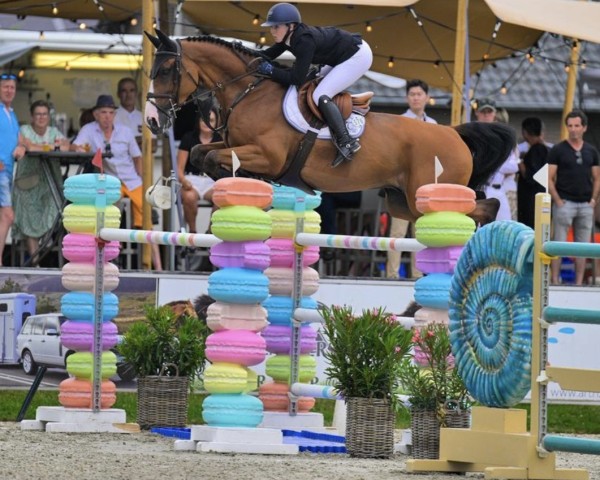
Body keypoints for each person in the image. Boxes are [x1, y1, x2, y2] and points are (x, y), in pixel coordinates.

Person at [257, 2, 373, 167]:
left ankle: (346, 141)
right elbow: (266, 55)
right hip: (340, 55)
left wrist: (271, 71)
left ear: (291, 26)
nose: (272, 31)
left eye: (276, 27)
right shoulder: (288, 38)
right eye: (271, 27)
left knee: (320, 94)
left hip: (358, 55)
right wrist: (240, 51)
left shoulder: (304, 41)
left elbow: (296, 78)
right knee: (314, 84)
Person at [72, 94, 162, 271]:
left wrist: (144, 179)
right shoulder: (89, 129)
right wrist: (81, 148)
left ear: (115, 114)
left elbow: (138, 158)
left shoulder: (125, 131)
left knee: (148, 217)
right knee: (109, 214)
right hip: (110, 182)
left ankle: (158, 267)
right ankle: (109, 260)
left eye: (110, 112)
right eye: (103, 112)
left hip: (132, 180)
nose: (107, 116)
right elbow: (76, 146)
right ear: (96, 114)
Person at [386, 79, 436, 279]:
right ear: (407, 98)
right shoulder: (399, 122)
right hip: (401, 185)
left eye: (419, 94)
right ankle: (392, 275)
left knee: (420, 233)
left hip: (425, 187)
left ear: (427, 97)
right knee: (397, 232)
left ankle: (417, 274)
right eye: (412, 94)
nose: (415, 98)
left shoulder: (432, 125)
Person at [13, 100, 70, 262]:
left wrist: (38, 146)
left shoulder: (54, 131)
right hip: (27, 184)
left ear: (48, 116)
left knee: (56, 211)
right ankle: (36, 262)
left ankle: (41, 256)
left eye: (44, 114)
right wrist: (50, 146)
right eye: (38, 114)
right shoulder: (24, 129)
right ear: (32, 117)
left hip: (50, 184)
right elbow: (28, 146)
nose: (41, 117)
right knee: (30, 216)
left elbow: (67, 146)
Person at [548, 110, 600, 285]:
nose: (573, 129)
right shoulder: (558, 150)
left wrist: (593, 200)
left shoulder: (591, 151)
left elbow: (597, 177)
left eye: (577, 125)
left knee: (583, 246)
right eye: (570, 126)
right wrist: (557, 200)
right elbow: (549, 176)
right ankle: (555, 280)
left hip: (585, 204)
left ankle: (578, 283)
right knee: (558, 244)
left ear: (584, 127)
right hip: (565, 202)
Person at [176, 109, 221, 233]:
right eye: (204, 120)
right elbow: (179, 168)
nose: (207, 123)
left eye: (211, 120)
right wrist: (184, 181)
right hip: (191, 179)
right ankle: (192, 233)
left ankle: (210, 233)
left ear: (217, 123)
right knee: (189, 196)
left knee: (221, 198)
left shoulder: (221, 140)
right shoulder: (188, 138)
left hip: (212, 182)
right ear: (198, 122)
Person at [474, 98, 519, 221]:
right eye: (483, 112)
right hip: (480, 189)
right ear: (477, 113)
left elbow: (513, 165)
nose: (486, 115)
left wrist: (491, 163)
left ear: (494, 114)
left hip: (499, 188)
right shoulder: (473, 133)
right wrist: (497, 162)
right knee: (479, 228)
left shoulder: (502, 134)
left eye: (489, 112)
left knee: (506, 225)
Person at [0, 73, 26, 266]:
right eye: (5, 87)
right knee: (8, 215)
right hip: (1, 171)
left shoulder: (13, 113)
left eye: (12, 87)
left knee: (3, 216)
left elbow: (20, 140)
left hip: (8, 171)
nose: (9, 90)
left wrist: (22, 147)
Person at [517, 117, 551, 228]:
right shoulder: (547, 149)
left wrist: (520, 162)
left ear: (525, 132)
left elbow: (530, 175)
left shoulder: (536, 150)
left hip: (531, 198)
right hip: (542, 195)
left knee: (529, 227)